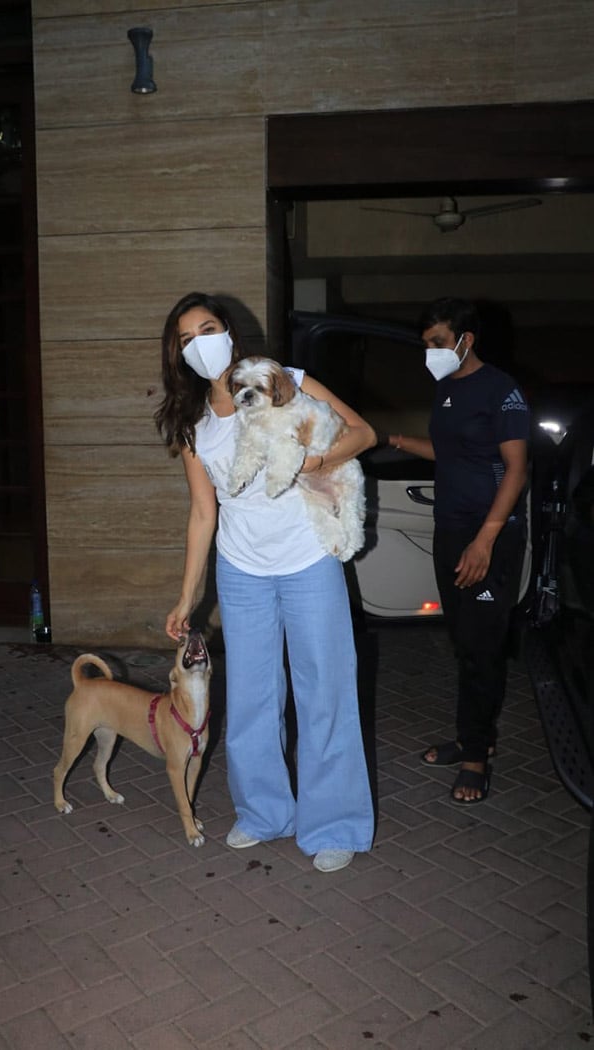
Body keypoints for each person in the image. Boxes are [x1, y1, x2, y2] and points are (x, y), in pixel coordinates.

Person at [155, 291, 378, 872]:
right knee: (253, 699)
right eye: (186, 339)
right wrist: (187, 596)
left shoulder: (288, 379)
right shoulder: (194, 424)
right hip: (242, 570)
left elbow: (362, 432)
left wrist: (315, 461)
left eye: (208, 328)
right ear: (179, 354)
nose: (200, 343)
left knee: (324, 691)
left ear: (229, 332)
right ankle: (263, 813)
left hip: (308, 559)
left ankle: (334, 824)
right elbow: (204, 512)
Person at [389, 297, 529, 805]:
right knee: (464, 642)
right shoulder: (446, 391)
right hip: (449, 530)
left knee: (482, 648)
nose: (430, 352)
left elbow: (516, 468)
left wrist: (485, 541)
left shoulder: (502, 390)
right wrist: (397, 440)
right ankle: (473, 737)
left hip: (490, 533)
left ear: (467, 340)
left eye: (439, 342)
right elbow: (450, 452)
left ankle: (476, 758)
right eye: (426, 344)